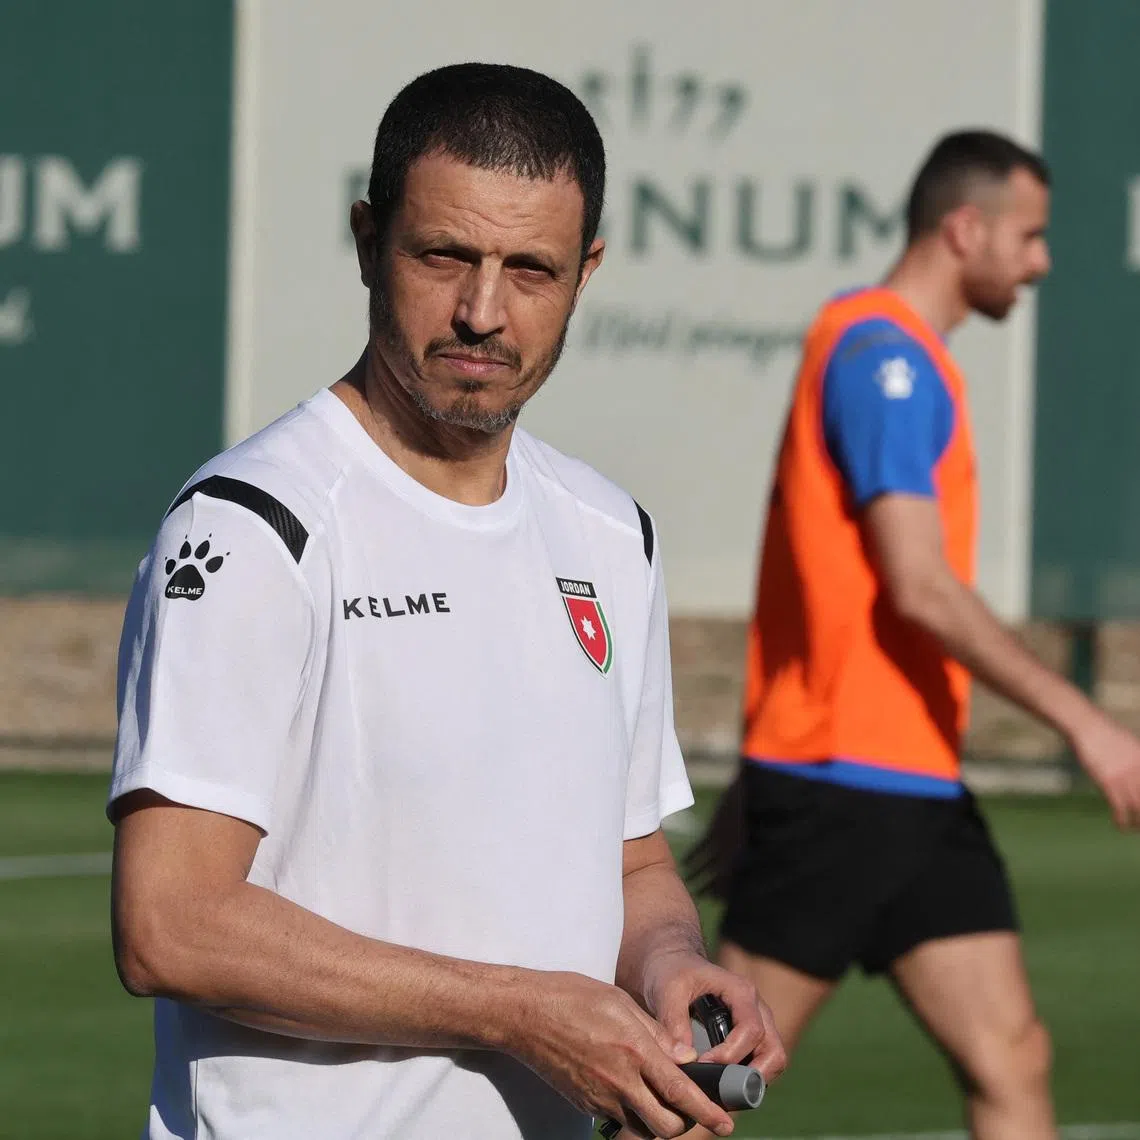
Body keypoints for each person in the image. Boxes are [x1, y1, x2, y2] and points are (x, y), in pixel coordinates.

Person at [107, 63, 785, 1140]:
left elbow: (633, 861)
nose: (483, 311)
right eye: (444, 256)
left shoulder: (610, 533)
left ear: (587, 270)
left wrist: (673, 970)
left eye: (532, 270)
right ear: (368, 240)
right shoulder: (252, 525)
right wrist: (521, 1014)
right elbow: (171, 925)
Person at [686, 130, 1140, 1140]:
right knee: (706, 1083)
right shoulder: (883, 359)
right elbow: (919, 587)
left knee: (1012, 1055)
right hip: (846, 787)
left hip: (910, 788)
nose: (1042, 261)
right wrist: (1089, 723)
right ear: (964, 229)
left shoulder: (896, 356)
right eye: (1030, 236)